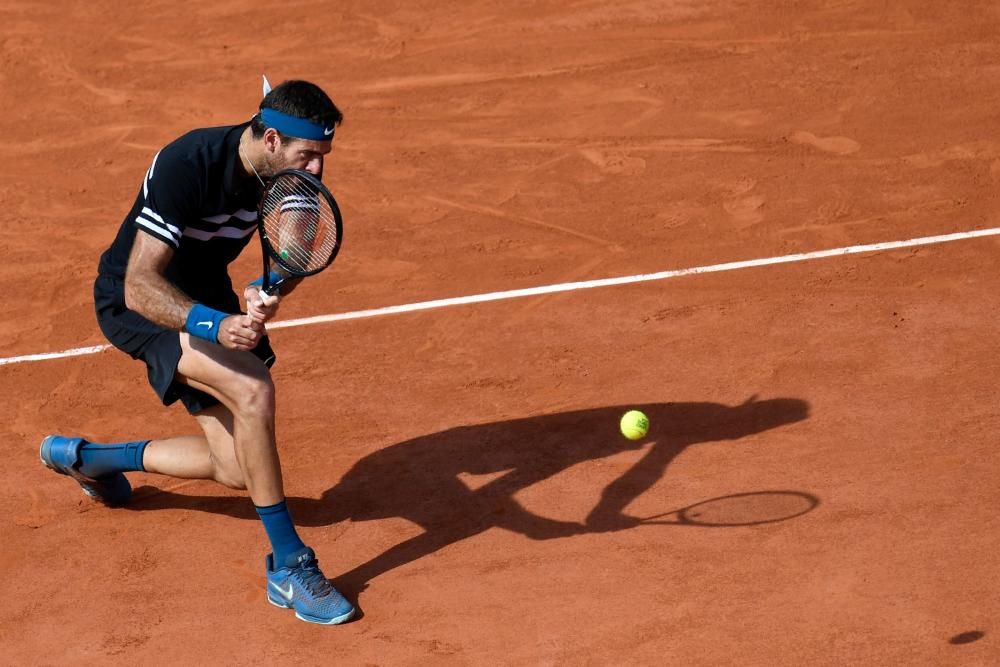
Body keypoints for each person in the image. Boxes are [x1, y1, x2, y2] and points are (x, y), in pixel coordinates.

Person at [39, 78, 355, 626]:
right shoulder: (189, 162)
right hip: (139, 304)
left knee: (238, 470)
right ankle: (289, 564)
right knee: (253, 391)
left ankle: (88, 461)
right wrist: (215, 323)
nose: (317, 170)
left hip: (208, 297)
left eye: (323, 157)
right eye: (309, 154)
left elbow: (298, 250)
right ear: (273, 140)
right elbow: (140, 284)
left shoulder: (294, 180)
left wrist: (270, 290)